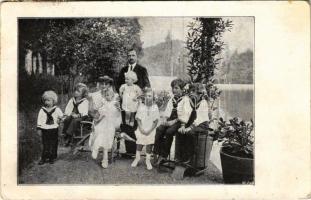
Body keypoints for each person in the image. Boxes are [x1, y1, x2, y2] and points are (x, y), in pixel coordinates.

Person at [153, 78, 186, 166]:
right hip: (171, 120)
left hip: (180, 121)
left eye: (176, 88)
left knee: (169, 132)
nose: (173, 90)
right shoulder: (172, 100)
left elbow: (184, 115)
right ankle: (156, 153)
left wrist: (173, 122)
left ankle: (163, 155)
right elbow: (167, 113)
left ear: (182, 89)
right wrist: (165, 120)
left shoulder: (185, 100)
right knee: (159, 129)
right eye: (172, 88)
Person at [176, 83, 212, 163]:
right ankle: (180, 156)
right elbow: (181, 111)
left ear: (200, 93)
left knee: (190, 133)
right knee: (180, 132)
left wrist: (189, 128)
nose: (191, 94)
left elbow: (199, 119)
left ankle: (190, 157)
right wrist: (183, 125)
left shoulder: (203, 103)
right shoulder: (187, 100)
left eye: (194, 92)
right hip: (192, 124)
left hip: (202, 125)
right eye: (191, 91)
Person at [89, 87, 122, 168]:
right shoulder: (104, 103)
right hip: (102, 123)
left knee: (107, 138)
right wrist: (97, 120)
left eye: (109, 95)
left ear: (113, 96)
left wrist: (118, 109)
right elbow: (101, 114)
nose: (107, 97)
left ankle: (105, 159)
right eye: (106, 95)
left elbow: (117, 115)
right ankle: (95, 149)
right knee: (99, 132)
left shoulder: (115, 104)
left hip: (110, 124)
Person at [131, 88, 160, 170]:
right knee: (140, 140)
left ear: (153, 98)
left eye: (150, 96)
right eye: (146, 96)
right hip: (142, 127)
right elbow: (138, 119)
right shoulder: (141, 106)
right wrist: (141, 129)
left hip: (151, 128)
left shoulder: (155, 107)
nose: (148, 97)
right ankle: (137, 158)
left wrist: (149, 131)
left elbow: (155, 121)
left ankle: (148, 160)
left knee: (149, 141)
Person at [37, 90, 63, 165]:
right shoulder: (42, 110)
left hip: (53, 129)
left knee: (53, 143)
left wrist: (60, 120)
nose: (46, 102)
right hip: (45, 129)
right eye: (45, 100)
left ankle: (52, 157)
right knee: (45, 143)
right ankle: (44, 158)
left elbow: (62, 116)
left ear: (53, 101)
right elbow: (39, 119)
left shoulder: (57, 109)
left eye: (48, 100)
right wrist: (39, 128)